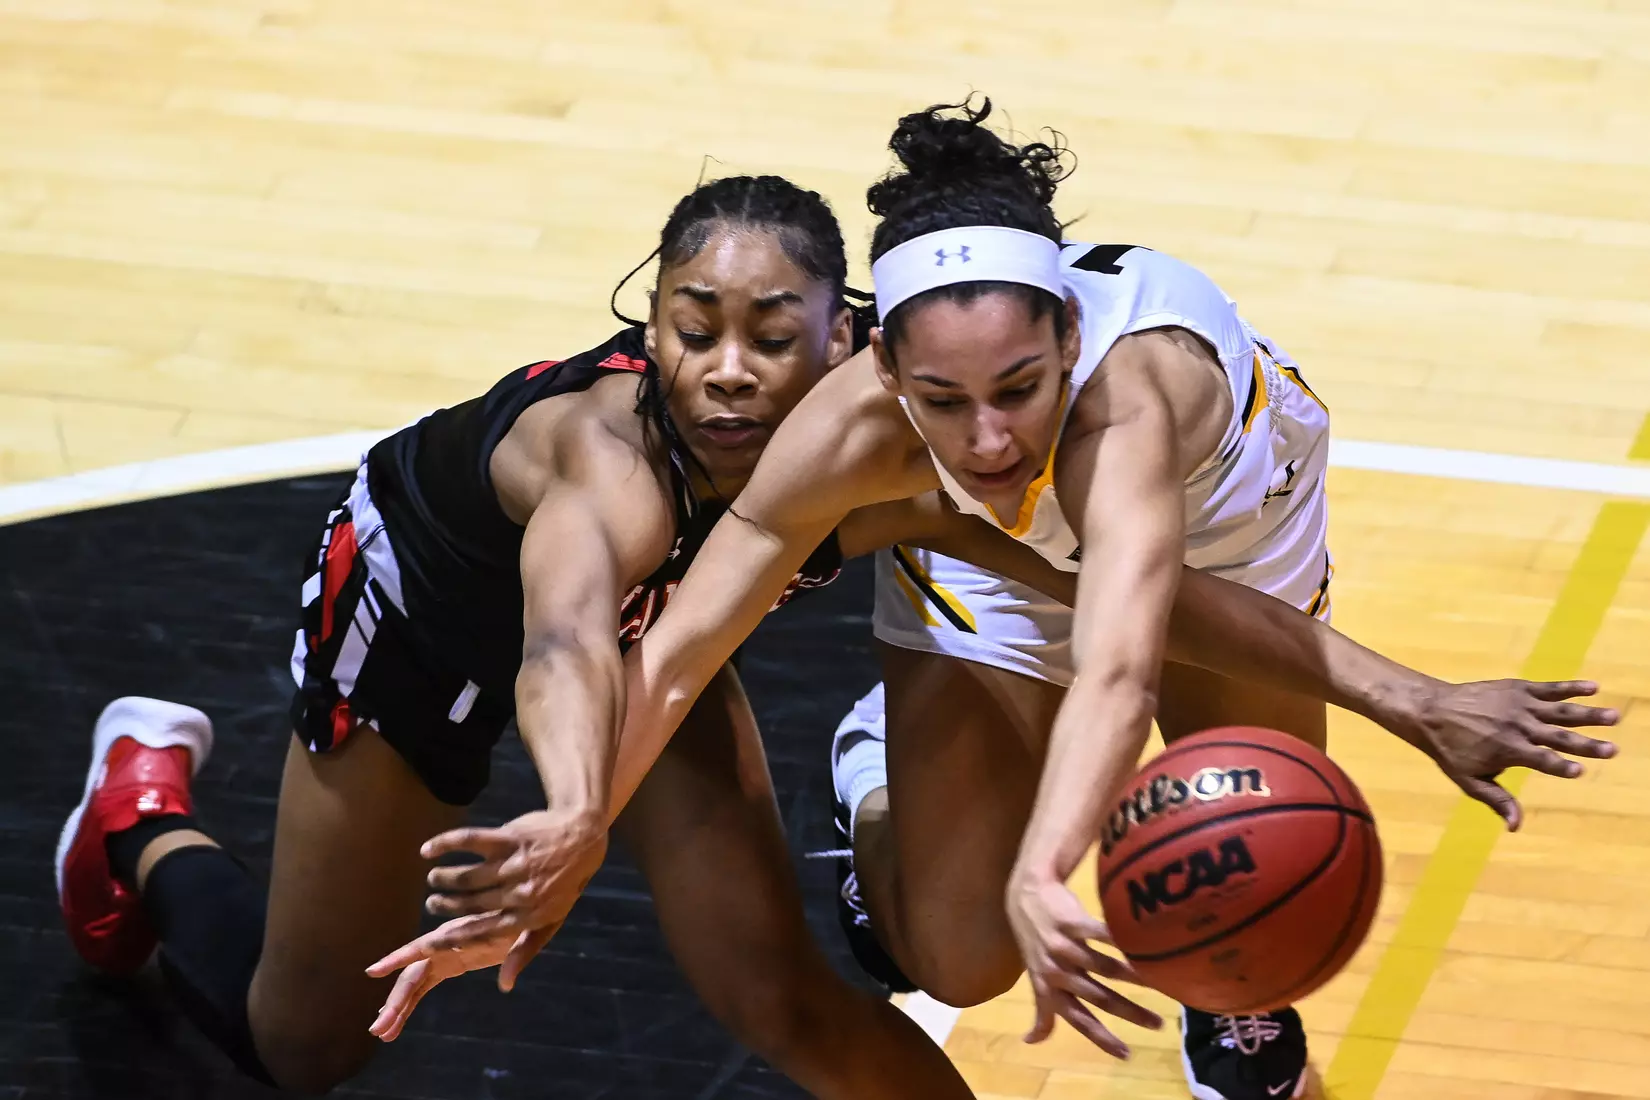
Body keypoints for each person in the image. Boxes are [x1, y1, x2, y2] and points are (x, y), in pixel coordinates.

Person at [385, 100, 1621, 1100]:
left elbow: (1124, 662)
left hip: (1236, 540)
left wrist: (1055, 864)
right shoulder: (863, 427)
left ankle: (1234, 1000)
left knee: (1251, 854)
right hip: (991, 559)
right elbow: (685, 636)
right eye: (944, 399)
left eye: (1019, 387)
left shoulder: (1125, 411)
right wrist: (583, 811)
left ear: (1071, 337)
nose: (986, 436)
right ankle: (876, 780)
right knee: (961, 958)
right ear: (882, 362)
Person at [53, 173, 1062, 1099]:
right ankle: (139, 819)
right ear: (653, 321)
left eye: (768, 337)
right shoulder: (610, 455)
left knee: (778, 991)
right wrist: (579, 808)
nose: (728, 372)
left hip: (655, 632)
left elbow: (1086, 516)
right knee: (309, 1041)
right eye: (694, 330)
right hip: (425, 615)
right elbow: (565, 642)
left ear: (842, 337)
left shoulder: (900, 405)